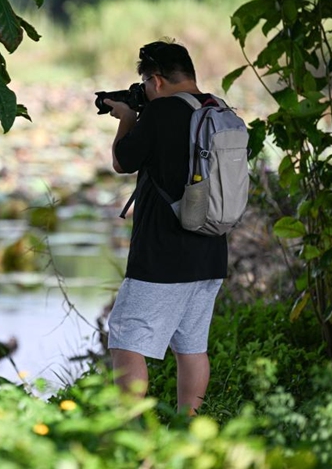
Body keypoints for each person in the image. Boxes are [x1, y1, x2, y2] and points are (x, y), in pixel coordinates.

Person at [103, 40, 227, 415]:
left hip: (162, 254)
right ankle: (188, 429)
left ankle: (130, 429)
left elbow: (123, 161)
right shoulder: (216, 110)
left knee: (126, 338)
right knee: (191, 347)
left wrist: (128, 116)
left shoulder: (160, 114)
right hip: (211, 250)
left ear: (155, 80)